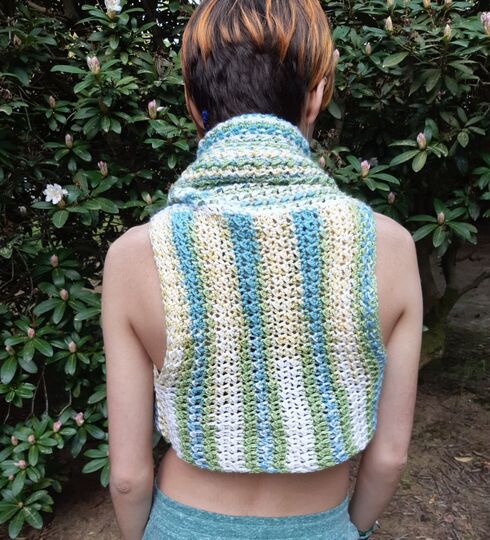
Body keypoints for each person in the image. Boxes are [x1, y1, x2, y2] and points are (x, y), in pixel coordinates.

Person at [101, 1, 423, 539]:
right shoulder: (389, 247)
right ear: (316, 94)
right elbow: (390, 458)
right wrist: (351, 531)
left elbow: (129, 478)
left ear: (192, 103)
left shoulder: (135, 256)